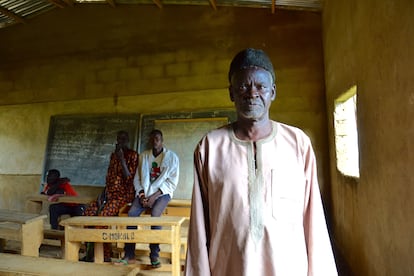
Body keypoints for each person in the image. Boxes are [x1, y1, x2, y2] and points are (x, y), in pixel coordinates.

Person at [185, 48, 338, 275]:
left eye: (260, 86)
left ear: (273, 92)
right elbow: (198, 228)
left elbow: (313, 219)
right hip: (229, 268)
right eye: (243, 86)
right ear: (231, 93)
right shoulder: (210, 147)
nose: (252, 93)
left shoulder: (298, 144)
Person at [115, 129, 179, 268]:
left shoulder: (172, 157)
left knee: (155, 215)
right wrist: (143, 195)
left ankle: (154, 255)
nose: (154, 141)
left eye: (157, 138)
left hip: (162, 194)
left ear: (162, 141)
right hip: (145, 193)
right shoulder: (143, 156)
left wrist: (154, 196)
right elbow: (137, 178)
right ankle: (129, 254)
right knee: (132, 214)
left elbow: (172, 182)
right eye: (152, 139)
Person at [82, 130, 138, 262]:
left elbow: (129, 177)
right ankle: (90, 253)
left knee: (103, 218)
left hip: (123, 196)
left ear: (128, 141)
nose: (121, 142)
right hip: (109, 194)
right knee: (88, 214)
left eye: (124, 139)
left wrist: (122, 159)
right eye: (119, 139)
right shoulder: (113, 156)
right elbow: (110, 178)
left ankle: (104, 255)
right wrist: (103, 194)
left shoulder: (133, 155)